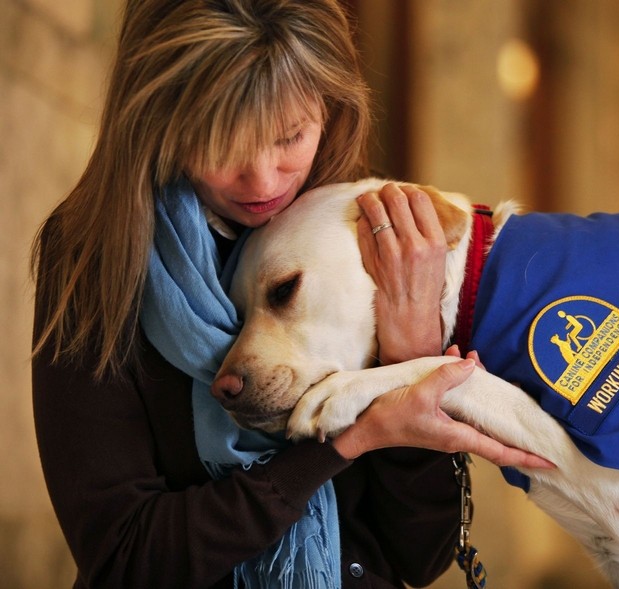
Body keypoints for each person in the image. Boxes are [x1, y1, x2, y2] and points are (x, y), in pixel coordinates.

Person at [30, 1, 545, 587]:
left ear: (330, 108)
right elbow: (124, 559)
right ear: (158, 120)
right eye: (221, 144)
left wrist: (411, 357)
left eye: (290, 136)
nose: (264, 181)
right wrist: (345, 437)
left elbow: (417, 557)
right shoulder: (97, 253)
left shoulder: (344, 236)